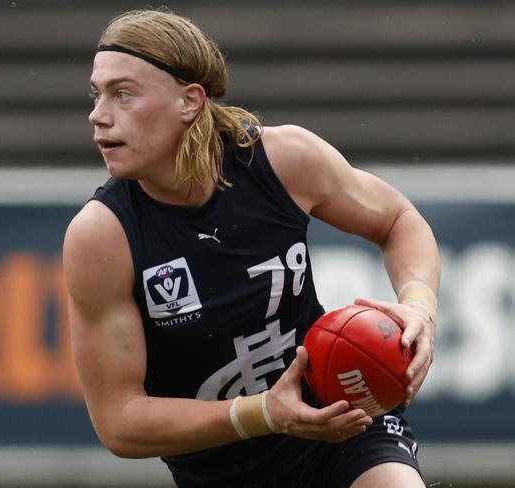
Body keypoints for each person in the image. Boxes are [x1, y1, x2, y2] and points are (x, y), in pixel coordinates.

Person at [63, 8, 440, 488]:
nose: (98, 114)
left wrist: (419, 309)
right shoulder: (102, 235)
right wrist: (265, 413)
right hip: (224, 473)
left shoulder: (283, 161)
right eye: (97, 94)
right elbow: (119, 421)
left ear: (190, 100)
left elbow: (399, 220)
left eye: (122, 94)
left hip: (343, 430)